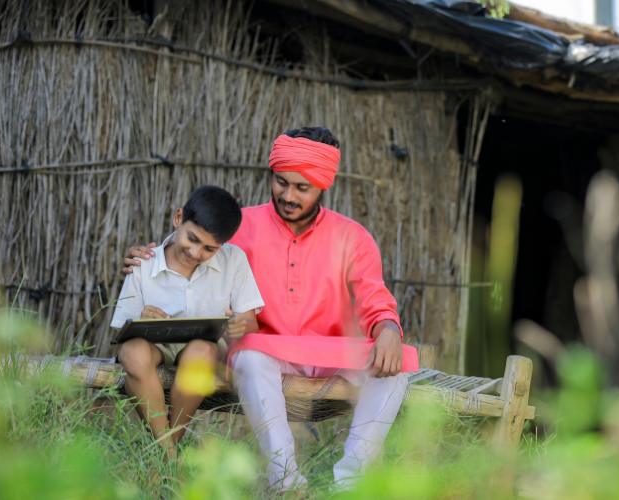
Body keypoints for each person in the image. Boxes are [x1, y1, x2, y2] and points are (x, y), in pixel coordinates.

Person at [123, 127, 418, 491]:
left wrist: (387, 327)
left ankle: (351, 485)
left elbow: (375, 300)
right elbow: (190, 250)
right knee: (249, 357)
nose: (288, 195)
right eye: (281, 182)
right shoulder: (240, 226)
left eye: (301, 187)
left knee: (395, 366)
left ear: (323, 186)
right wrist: (149, 257)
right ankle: (287, 484)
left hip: (332, 352)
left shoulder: (353, 237)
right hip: (263, 351)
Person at [111, 185, 264, 458]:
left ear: (223, 245)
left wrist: (240, 324)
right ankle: (170, 456)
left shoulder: (234, 260)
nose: (195, 252)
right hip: (154, 348)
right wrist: (141, 317)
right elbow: (121, 330)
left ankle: (164, 455)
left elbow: (250, 322)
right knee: (132, 351)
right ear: (178, 218)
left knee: (200, 350)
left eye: (209, 248)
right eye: (191, 239)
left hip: (204, 352)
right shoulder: (145, 261)